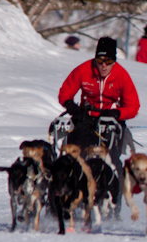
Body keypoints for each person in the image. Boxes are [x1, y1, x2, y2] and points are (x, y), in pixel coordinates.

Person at [58, 37, 140, 178]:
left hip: (111, 119)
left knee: (113, 158)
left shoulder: (121, 75)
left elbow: (133, 106)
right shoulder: (84, 70)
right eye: (100, 60)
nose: (103, 65)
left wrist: (117, 113)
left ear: (114, 61)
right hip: (86, 117)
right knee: (77, 152)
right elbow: (65, 91)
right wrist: (69, 104)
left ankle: (114, 194)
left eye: (108, 61)